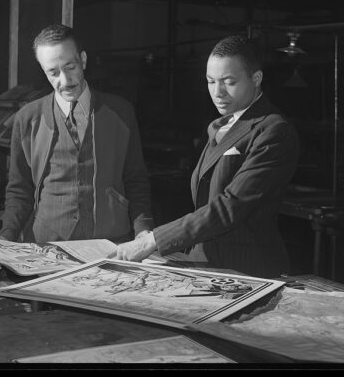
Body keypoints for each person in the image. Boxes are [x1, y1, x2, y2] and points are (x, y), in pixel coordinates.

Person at [110, 35, 300, 278]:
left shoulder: (273, 129)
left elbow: (229, 206)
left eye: (228, 81)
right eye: (211, 81)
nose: (217, 92)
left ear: (257, 79)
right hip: (205, 263)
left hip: (247, 267)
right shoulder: (218, 126)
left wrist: (153, 241)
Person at [0, 24, 153, 244]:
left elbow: (136, 180)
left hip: (113, 244)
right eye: (53, 72)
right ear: (44, 71)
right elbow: (19, 189)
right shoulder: (27, 119)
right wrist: (7, 235)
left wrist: (143, 231)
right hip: (47, 248)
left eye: (70, 67)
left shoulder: (121, 112)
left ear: (84, 60)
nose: (65, 80)